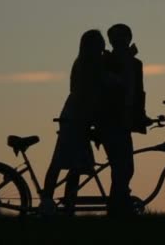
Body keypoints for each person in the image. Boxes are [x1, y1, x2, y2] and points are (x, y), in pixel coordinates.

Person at [40, 29, 106, 215]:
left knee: (73, 164)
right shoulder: (90, 65)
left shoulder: (84, 63)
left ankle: (66, 202)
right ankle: (50, 200)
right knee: (62, 162)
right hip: (76, 119)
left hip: (76, 118)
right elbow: (91, 93)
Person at [100, 23, 150, 216]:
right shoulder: (107, 61)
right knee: (121, 166)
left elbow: (139, 93)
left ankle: (119, 204)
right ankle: (118, 207)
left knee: (125, 167)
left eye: (123, 38)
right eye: (116, 38)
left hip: (125, 121)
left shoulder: (136, 64)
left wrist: (141, 115)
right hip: (111, 120)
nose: (119, 41)